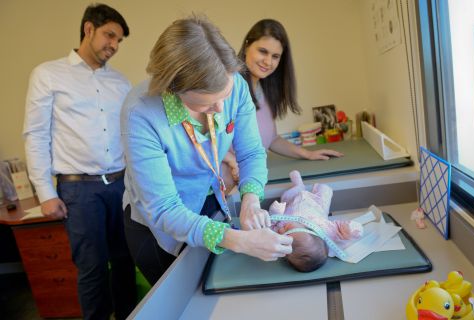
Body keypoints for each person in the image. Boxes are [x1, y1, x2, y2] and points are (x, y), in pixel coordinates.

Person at [121, 16, 293, 286]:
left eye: (224, 98)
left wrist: (250, 200)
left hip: (210, 201)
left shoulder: (235, 84)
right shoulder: (140, 113)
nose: (221, 111)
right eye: (207, 104)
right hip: (159, 228)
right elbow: (165, 209)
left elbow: (251, 152)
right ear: (175, 90)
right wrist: (238, 240)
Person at [23, 4, 136, 319]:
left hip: (121, 185)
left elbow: (129, 135)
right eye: (109, 35)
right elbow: (36, 135)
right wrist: (46, 193)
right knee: (92, 268)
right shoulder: (48, 74)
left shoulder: (120, 82)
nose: (113, 46)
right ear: (89, 29)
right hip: (79, 191)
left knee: (126, 261)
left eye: (118, 40)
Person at [222, 19, 343, 191]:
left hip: (243, 187)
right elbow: (201, 139)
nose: (268, 62)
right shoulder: (229, 86)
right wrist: (231, 160)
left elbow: (271, 139)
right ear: (247, 45)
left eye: (275, 56)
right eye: (263, 51)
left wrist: (307, 153)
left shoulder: (263, 89)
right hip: (217, 188)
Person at [269, 170, 363, 272]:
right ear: (310, 231)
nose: (282, 230)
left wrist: (274, 212)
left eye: (284, 232)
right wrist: (351, 230)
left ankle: (299, 184)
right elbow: (341, 230)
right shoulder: (324, 230)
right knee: (324, 192)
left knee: (290, 194)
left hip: (292, 202)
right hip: (316, 203)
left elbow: (270, 223)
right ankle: (307, 187)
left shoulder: (278, 236)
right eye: (288, 229)